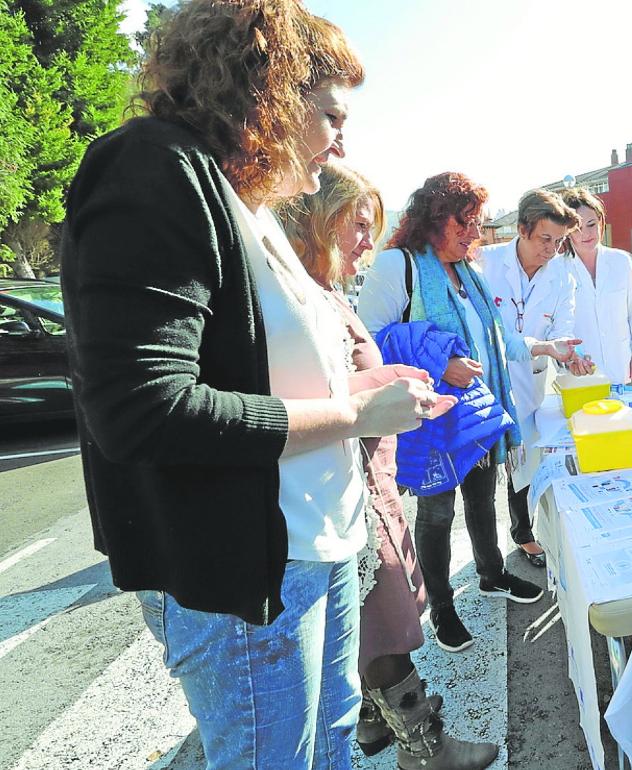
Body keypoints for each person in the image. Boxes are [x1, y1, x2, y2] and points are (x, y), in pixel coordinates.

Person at [59, 3, 448, 767]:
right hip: (248, 576)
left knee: (328, 749)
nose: (343, 140)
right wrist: (355, 410)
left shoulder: (251, 203)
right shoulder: (154, 168)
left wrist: (359, 377)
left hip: (320, 551)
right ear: (264, 91)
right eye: (331, 114)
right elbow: (145, 409)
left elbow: (258, 360)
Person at [278, 164, 495, 770]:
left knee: (375, 616)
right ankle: (424, 749)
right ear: (315, 222)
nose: (366, 242)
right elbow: (320, 389)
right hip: (335, 486)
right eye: (356, 226)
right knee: (387, 617)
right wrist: (400, 376)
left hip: (364, 477)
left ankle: (377, 724)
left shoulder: (326, 292)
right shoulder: (321, 295)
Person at [357, 172, 570, 653]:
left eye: (477, 224)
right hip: (434, 419)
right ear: (435, 219)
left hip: (477, 413)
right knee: (436, 513)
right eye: (466, 223)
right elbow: (366, 343)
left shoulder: (468, 274)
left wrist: (548, 347)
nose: (475, 234)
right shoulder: (399, 266)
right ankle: (443, 607)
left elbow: (498, 338)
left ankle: (492, 574)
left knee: (481, 500)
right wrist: (440, 362)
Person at [477, 189, 584, 568]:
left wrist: (568, 353)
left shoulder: (562, 274)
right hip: (485, 381)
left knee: (523, 462)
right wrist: (545, 346)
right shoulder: (484, 264)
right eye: (545, 239)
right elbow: (485, 331)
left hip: (529, 382)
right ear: (522, 229)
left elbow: (565, 324)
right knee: (482, 476)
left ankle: (523, 532)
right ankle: (489, 559)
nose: (552, 249)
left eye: (559, 241)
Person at [559, 187, 632, 385]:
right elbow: (556, 326)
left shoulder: (620, 261)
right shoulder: (558, 269)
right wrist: (570, 357)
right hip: (582, 369)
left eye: (591, 224)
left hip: (622, 364)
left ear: (601, 222)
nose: (586, 234)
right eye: (577, 228)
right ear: (567, 232)